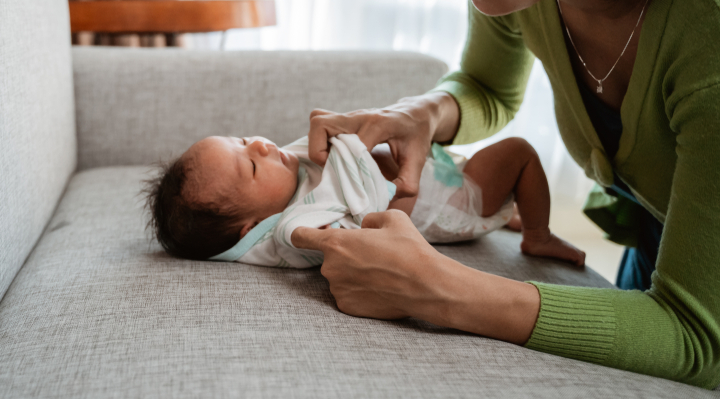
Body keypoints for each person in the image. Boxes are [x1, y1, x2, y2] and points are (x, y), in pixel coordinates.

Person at [292, 0, 720, 389]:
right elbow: (489, 87)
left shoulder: (707, 27)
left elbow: (695, 337)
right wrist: (426, 113)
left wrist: (440, 290)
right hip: (659, 249)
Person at [145, 132, 584, 268]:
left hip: (438, 177)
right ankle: (538, 233)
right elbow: (358, 232)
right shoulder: (296, 228)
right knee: (520, 153)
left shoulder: (291, 183)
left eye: (241, 140)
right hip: (459, 198)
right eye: (252, 166)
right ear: (249, 227)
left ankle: (509, 217)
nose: (260, 145)